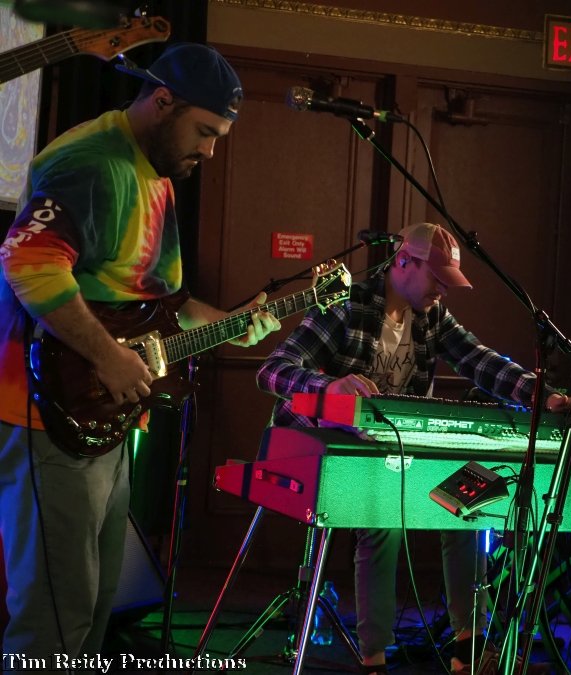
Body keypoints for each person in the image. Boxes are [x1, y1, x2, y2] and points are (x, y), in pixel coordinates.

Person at [0, 43, 280, 667]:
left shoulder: (154, 172)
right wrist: (107, 357)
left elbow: (156, 300)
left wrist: (227, 324)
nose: (211, 151)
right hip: (44, 411)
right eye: (205, 132)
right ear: (163, 102)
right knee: (56, 613)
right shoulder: (90, 161)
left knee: (96, 603)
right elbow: (28, 263)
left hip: (96, 416)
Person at [257, 222, 571, 674]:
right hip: (326, 450)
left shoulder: (431, 316)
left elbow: (480, 361)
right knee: (383, 521)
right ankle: (374, 659)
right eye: (437, 280)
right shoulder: (346, 305)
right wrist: (329, 387)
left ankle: (470, 650)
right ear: (404, 261)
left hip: (394, 450)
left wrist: (544, 396)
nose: (442, 291)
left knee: (469, 500)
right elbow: (272, 370)